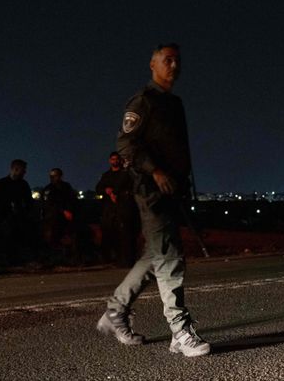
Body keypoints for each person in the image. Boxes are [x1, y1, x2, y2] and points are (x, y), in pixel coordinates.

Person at [96, 43, 210, 357]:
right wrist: (155, 171)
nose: (174, 66)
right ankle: (180, 330)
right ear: (152, 64)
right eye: (167, 60)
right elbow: (125, 145)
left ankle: (116, 311)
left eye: (177, 61)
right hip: (151, 191)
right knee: (170, 258)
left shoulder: (174, 103)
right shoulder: (143, 101)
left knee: (155, 256)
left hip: (172, 192)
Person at [96, 151, 139, 267]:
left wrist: (117, 193)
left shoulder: (126, 173)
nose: (115, 161)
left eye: (117, 159)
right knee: (110, 231)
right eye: (113, 159)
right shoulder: (106, 175)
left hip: (124, 205)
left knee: (126, 232)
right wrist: (107, 191)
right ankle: (112, 257)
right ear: (110, 161)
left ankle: (128, 259)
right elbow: (99, 188)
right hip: (110, 208)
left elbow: (131, 185)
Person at [0, 159, 34, 267]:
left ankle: (18, 260)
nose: (24, 173)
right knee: (7, 239)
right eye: (23, 171)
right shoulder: (1, 183)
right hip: (5, 217)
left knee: (19, 239)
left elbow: (29, 201)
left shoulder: (23, 184)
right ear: (16, 169)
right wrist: (7, 205)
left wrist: (26, 211)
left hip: (19, 217)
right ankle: (8, 261)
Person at [41, 167, 78, 266]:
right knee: (53, 239)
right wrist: (63, 211)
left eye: (55, 176)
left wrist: (70, 211)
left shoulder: (66, 187)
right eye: (52, 176)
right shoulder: (48, 189)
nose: (53, 178)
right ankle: (54, 259)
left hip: (66, 218)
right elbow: (49, 204)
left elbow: (72, 200)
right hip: (53, 218)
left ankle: (68, 258)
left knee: (69, 238)